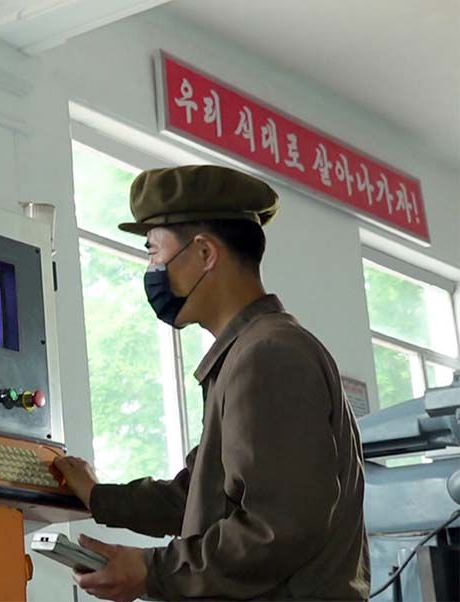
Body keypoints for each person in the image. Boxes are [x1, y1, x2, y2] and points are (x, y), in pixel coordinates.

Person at [54, 165, 370, 601]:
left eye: (154, 252)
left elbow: (277, 527)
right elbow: (201, 497)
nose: (151, 269)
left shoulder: (268, 355)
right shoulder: (249, 352)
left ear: (205, 253)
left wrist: (151, 570)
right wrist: (99, 498)